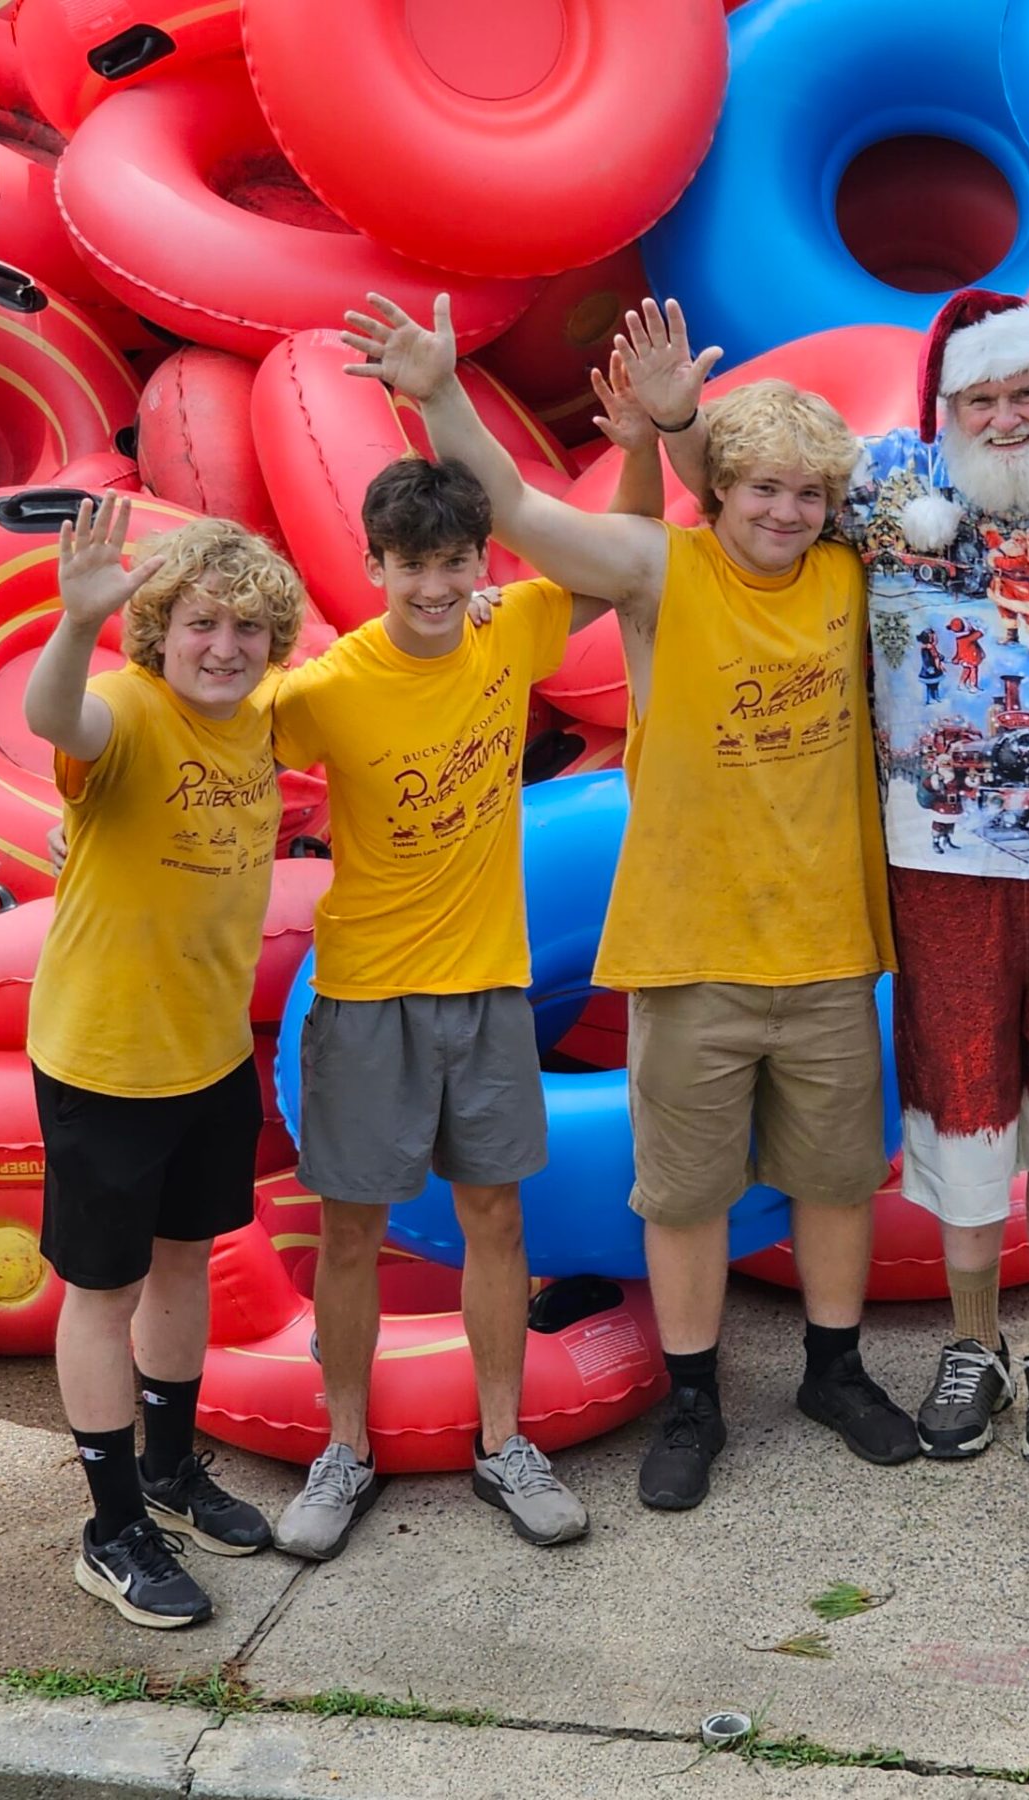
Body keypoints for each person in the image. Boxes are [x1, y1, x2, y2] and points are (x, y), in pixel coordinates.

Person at [342, 292, 916, 1514]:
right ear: (721, 491)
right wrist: (441, 391)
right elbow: (518, 508)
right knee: (687, 1190)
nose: (784, 511)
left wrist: (692, 426)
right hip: (690, 945)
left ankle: (834, 1370)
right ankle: (698, 1398)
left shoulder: (850, 579)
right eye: (760, 488)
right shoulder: (663, 566)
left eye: (806, 495)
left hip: (827, 945)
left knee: (832, 1178)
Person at [627, 292, 1029, 1468]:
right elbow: (754, 496)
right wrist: (675, 428)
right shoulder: (879, 489)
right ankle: (974, 1345)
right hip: (939, 869)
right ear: (946, 409)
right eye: (980, 397)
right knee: (961, 1111)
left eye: (1026, 391)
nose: (1007, 416)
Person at [265, 359, 668, 1561]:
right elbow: (210, 721)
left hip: (489, 987)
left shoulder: (512, 632)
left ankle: (503, 1443)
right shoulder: (328, 687)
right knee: (351, 1228)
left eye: (458, 564)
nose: (438, 588)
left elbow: (634, 547)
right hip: (364, 995)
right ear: (374, 567)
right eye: (414, 566)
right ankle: (346, 1449)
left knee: (498, 1217)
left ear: (481, 566)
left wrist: (641, 439)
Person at [23, 499, 306, 1629]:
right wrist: (73, 623)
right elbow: (64, 716)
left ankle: (172, 1473)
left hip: (207, 1054)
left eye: (247, 628)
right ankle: (111, 1528)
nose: (224, 647)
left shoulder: (258, 720)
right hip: (103, 1059)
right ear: (159, 630)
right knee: (105, 1293)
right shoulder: (128, 711)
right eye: (201, 624)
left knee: (187, 1264)